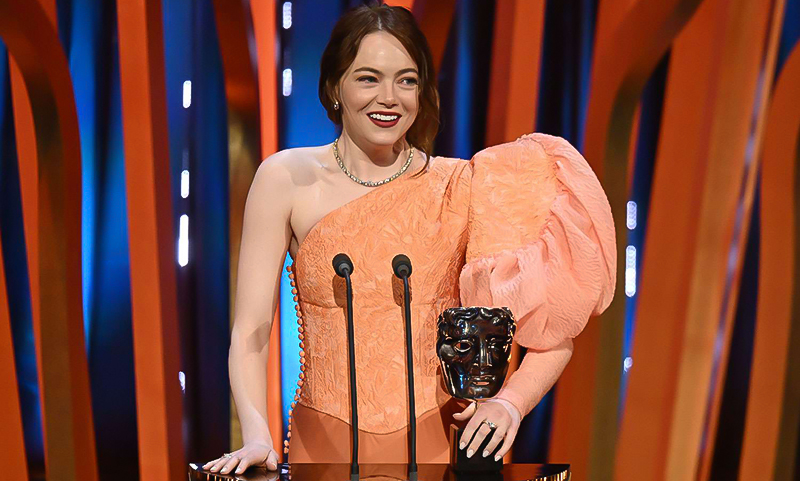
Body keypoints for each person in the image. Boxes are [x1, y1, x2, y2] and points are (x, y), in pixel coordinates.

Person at [203, 3, 616, 476]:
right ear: (335, 86)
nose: (389, 98)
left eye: (406, 80)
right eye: (368, 78)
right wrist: (257, 434)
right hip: (325, 451)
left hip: (438, 450)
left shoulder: (462, 188)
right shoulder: (285, 179)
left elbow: (553, 331)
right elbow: (251, 330)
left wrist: (511, 402)